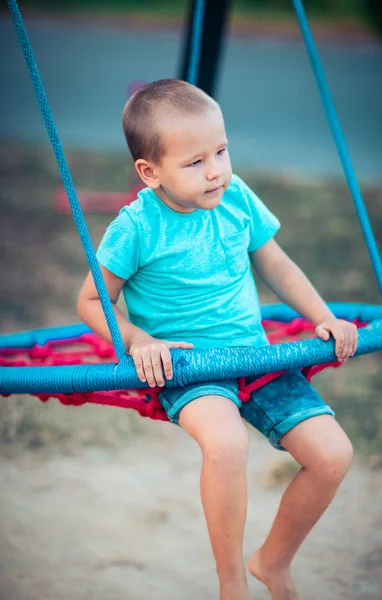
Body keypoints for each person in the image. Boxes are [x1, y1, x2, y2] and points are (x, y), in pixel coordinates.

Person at [77, 79, 357, 600]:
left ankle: (272, 562)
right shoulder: (137, 226)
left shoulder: (237, 197)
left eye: (222, 151)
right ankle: (232, 585)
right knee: (226, 444)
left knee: (332, 454)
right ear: (149, 172)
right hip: (189, 367)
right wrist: (139, 340)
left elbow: (276, 263)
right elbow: (91, 301)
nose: (216, 170)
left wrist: (326, 316)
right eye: (194, 162)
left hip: (254, 354)